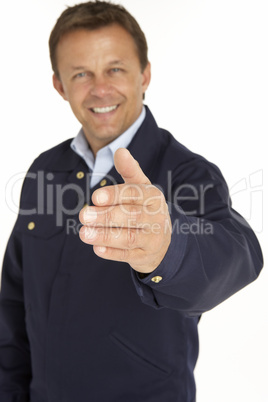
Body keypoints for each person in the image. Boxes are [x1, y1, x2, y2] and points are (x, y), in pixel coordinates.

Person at [0, 1, 263, 401]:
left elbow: (239, 254)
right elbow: (14, 304)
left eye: (115, 69)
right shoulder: (43, 171)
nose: (101, 89)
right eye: (81, 74)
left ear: (145, 75)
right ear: (59, 85)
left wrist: (168, 248)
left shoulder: (187, 172)